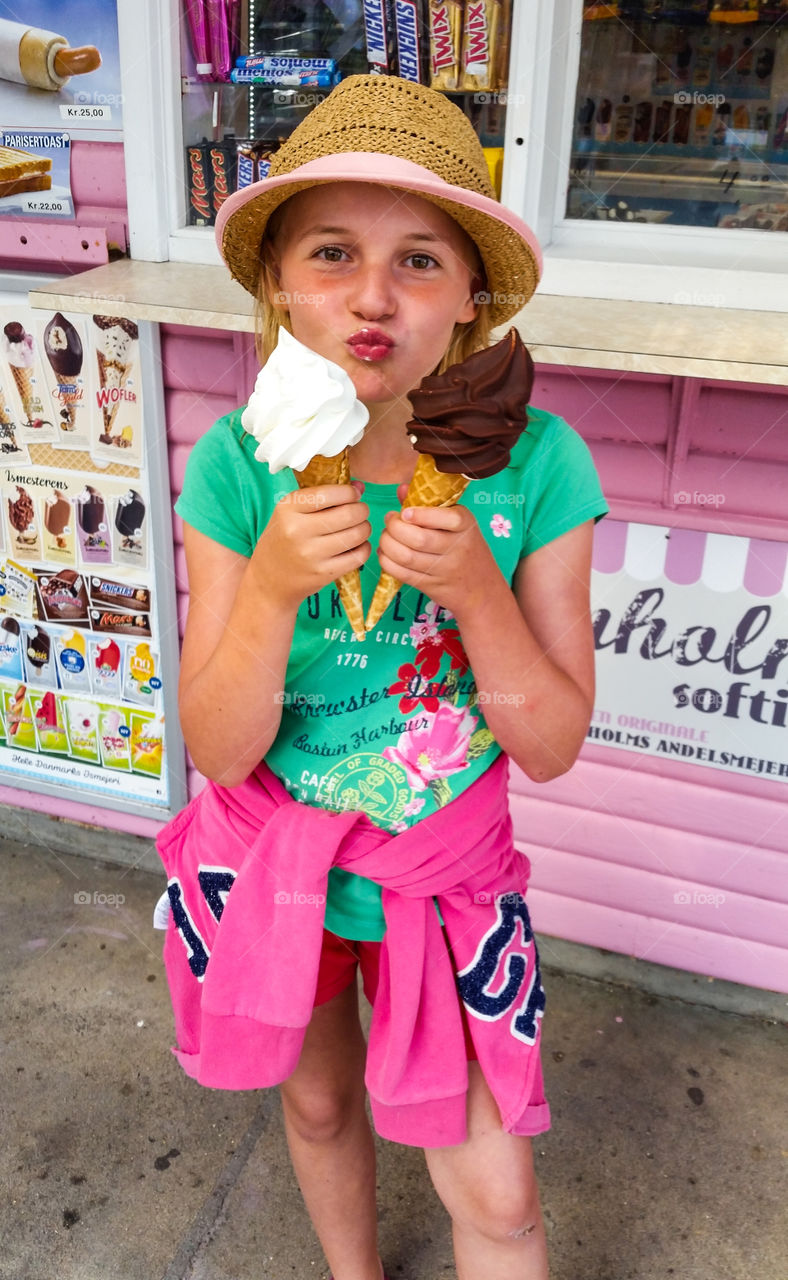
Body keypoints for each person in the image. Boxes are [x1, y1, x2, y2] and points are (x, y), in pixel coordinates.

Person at [164, 74, 608, 1280]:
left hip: (442, 877)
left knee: (498, 1186)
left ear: (470, 294)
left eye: (419, 258)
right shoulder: (237, 466)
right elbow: (218, 746)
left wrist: (474, 592)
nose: (371, 295)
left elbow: (552, 738)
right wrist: (264, 589)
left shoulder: (534, 465)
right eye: (331, 252)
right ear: (277, 283)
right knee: (313, 1108)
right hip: (276, 862)